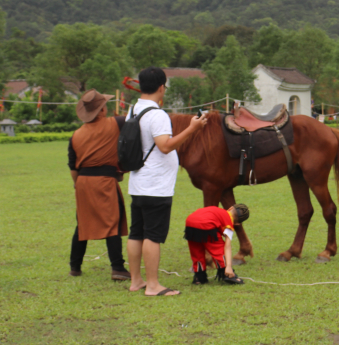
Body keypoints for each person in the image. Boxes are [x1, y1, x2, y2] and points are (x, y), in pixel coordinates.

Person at [126, 67, 208, 297]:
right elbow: (165, 145)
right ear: (162, 87)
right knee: (153, 235)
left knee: (136, 233)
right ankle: (153, 285)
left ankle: (136, 280)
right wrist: (192, 128)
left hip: (138, 181)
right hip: (156, 185)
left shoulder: (133, 110)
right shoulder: (157, 115)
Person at [67, 89, 130, 281]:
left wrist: (80, 187)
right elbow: (137, 123)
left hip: (83, 182)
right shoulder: (116, 123)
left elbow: (73, 167)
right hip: (104, 181)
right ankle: (118, 267)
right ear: (102, 110)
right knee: (112, 223)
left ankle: (75, 267)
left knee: (83, 224)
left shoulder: (75, 135)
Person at [183, 204, 249, 285]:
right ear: (237, 224)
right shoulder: (229, 222)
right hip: (207, 224)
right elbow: (227, 247)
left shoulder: (218, 210)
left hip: (190, 222)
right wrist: (228, 266)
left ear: (230, 208)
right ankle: (227, 274)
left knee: (196, 252)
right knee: (218, 249)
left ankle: (199, 277)